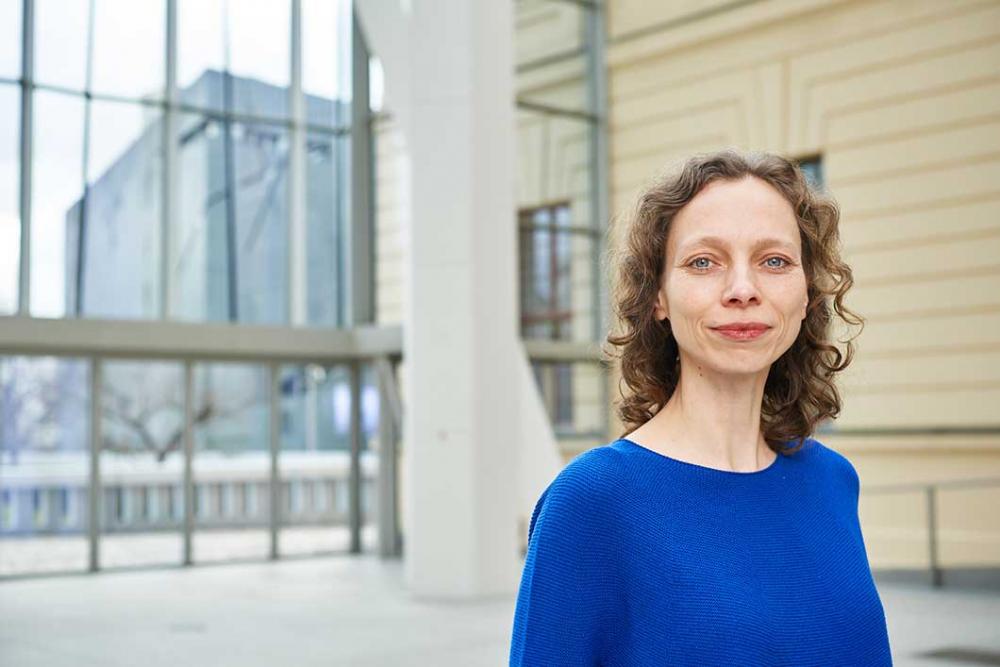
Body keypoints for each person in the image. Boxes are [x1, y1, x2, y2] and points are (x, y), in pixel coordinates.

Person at [508, 148, 893, 666]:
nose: (742, 290)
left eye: (774, 261)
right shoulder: (592, 503)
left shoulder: (833, 480)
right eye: (703, 262)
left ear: (807, 293)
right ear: (658, 297)